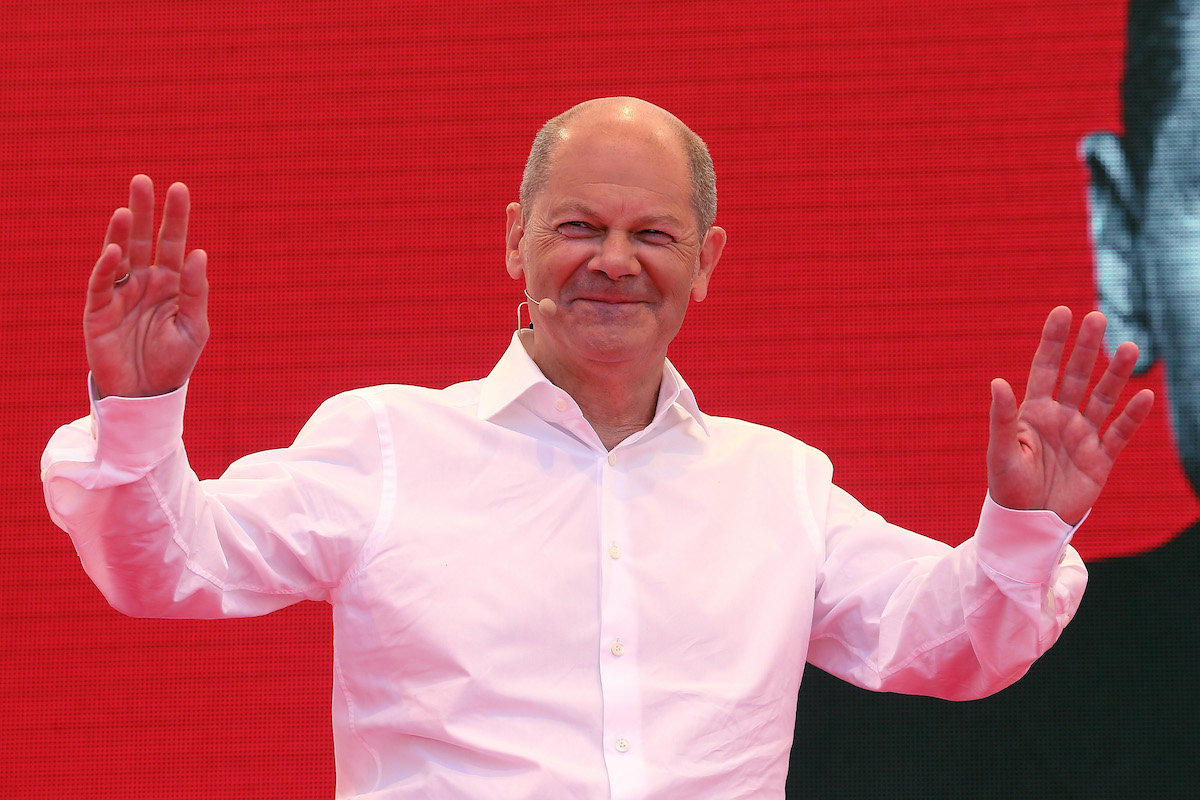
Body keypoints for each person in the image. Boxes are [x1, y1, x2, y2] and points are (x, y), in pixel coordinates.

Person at [41, 97, 1152, 799]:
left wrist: (1025, 524)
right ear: (516, 236)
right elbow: (170, 567)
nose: (613, 260)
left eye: (652, 233)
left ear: (706, 260)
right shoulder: (387, 442)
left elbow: (944, 646)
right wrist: (140, 409)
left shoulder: (779, 485)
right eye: (579, 226)